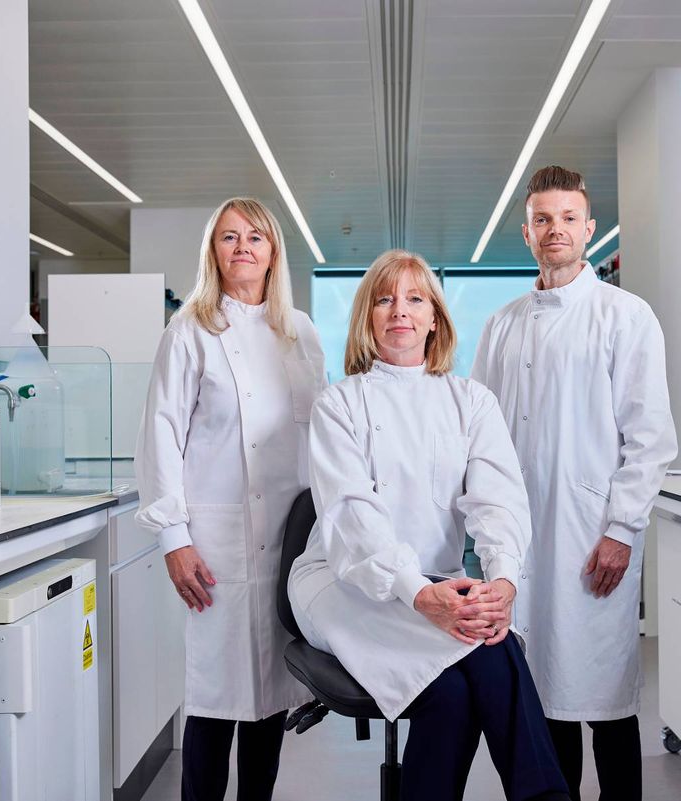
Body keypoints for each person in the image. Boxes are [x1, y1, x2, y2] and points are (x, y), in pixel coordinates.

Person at [288, 249, 570, 801]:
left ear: (435, 317)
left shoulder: (470, 400)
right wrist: (420, 595)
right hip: (341, 583)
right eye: (385, 299)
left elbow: (499, 501)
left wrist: (503, 581)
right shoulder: (338, 404)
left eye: (416, 298)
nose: (401, 311)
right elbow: (353, 518)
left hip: (433, 583)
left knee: (472, 668)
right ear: (367, 317)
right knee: (485, 659)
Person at [472, 166, 678, 801]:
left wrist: (621, 530)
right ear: (527, 232)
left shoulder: (624, 316)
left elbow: (650, 437)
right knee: (538, 698)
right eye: (542, 219)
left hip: (593, 536)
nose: (554, 229)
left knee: (605, 700)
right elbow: (477, 433)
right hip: (520, 540)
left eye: (567, 218)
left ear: (588, 229)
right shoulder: (502, 324)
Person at [135, 197, 326, 801]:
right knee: (216, 699)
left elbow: (324, 435)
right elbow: (161, 432)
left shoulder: (301, 334)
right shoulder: (190, 330)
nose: (242, 247)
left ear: (274, 253)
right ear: (212, 253)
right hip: (213, 545)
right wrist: (174, 538)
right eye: (228, 237)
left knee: (268, 699)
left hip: (285, 544)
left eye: (255, 237)